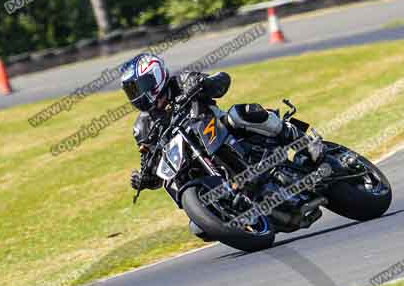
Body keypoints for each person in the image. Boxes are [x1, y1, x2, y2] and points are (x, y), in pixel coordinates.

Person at [119, 53, 304, 192]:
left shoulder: (182, 82)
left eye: (140, 87)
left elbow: (222, 81)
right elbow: (154, 169)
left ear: (156, 76)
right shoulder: (142, 127)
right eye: (132, 91)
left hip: (219, 130)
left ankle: (291, 133)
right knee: (196, 223)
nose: (137, 95)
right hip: (191, 159)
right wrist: (144, 180)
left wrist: (203, 83)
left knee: (239, 114)